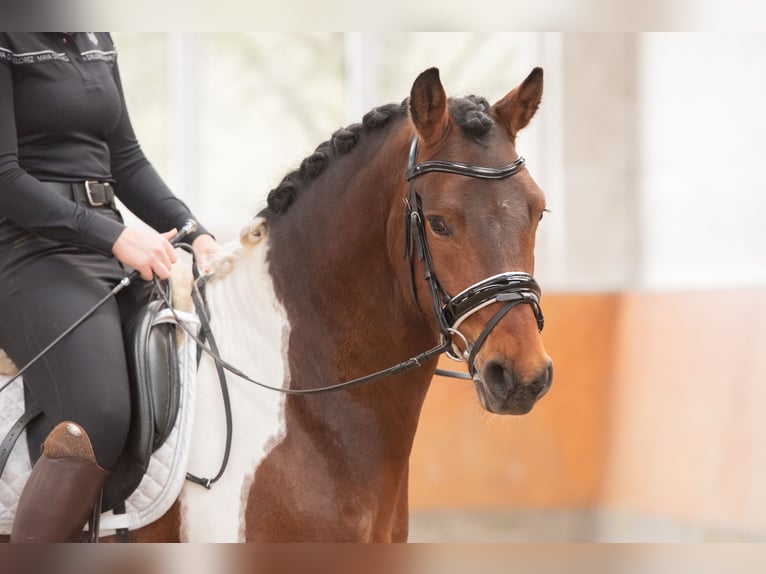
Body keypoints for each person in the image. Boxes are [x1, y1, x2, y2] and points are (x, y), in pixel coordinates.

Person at [0, 32, 221, 542]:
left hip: (102, 242)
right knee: (97, 410)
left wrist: (194, 230)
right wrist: (115, 235)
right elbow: (5, 178)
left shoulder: (96, 39)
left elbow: (126, 160)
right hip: (22, 250)